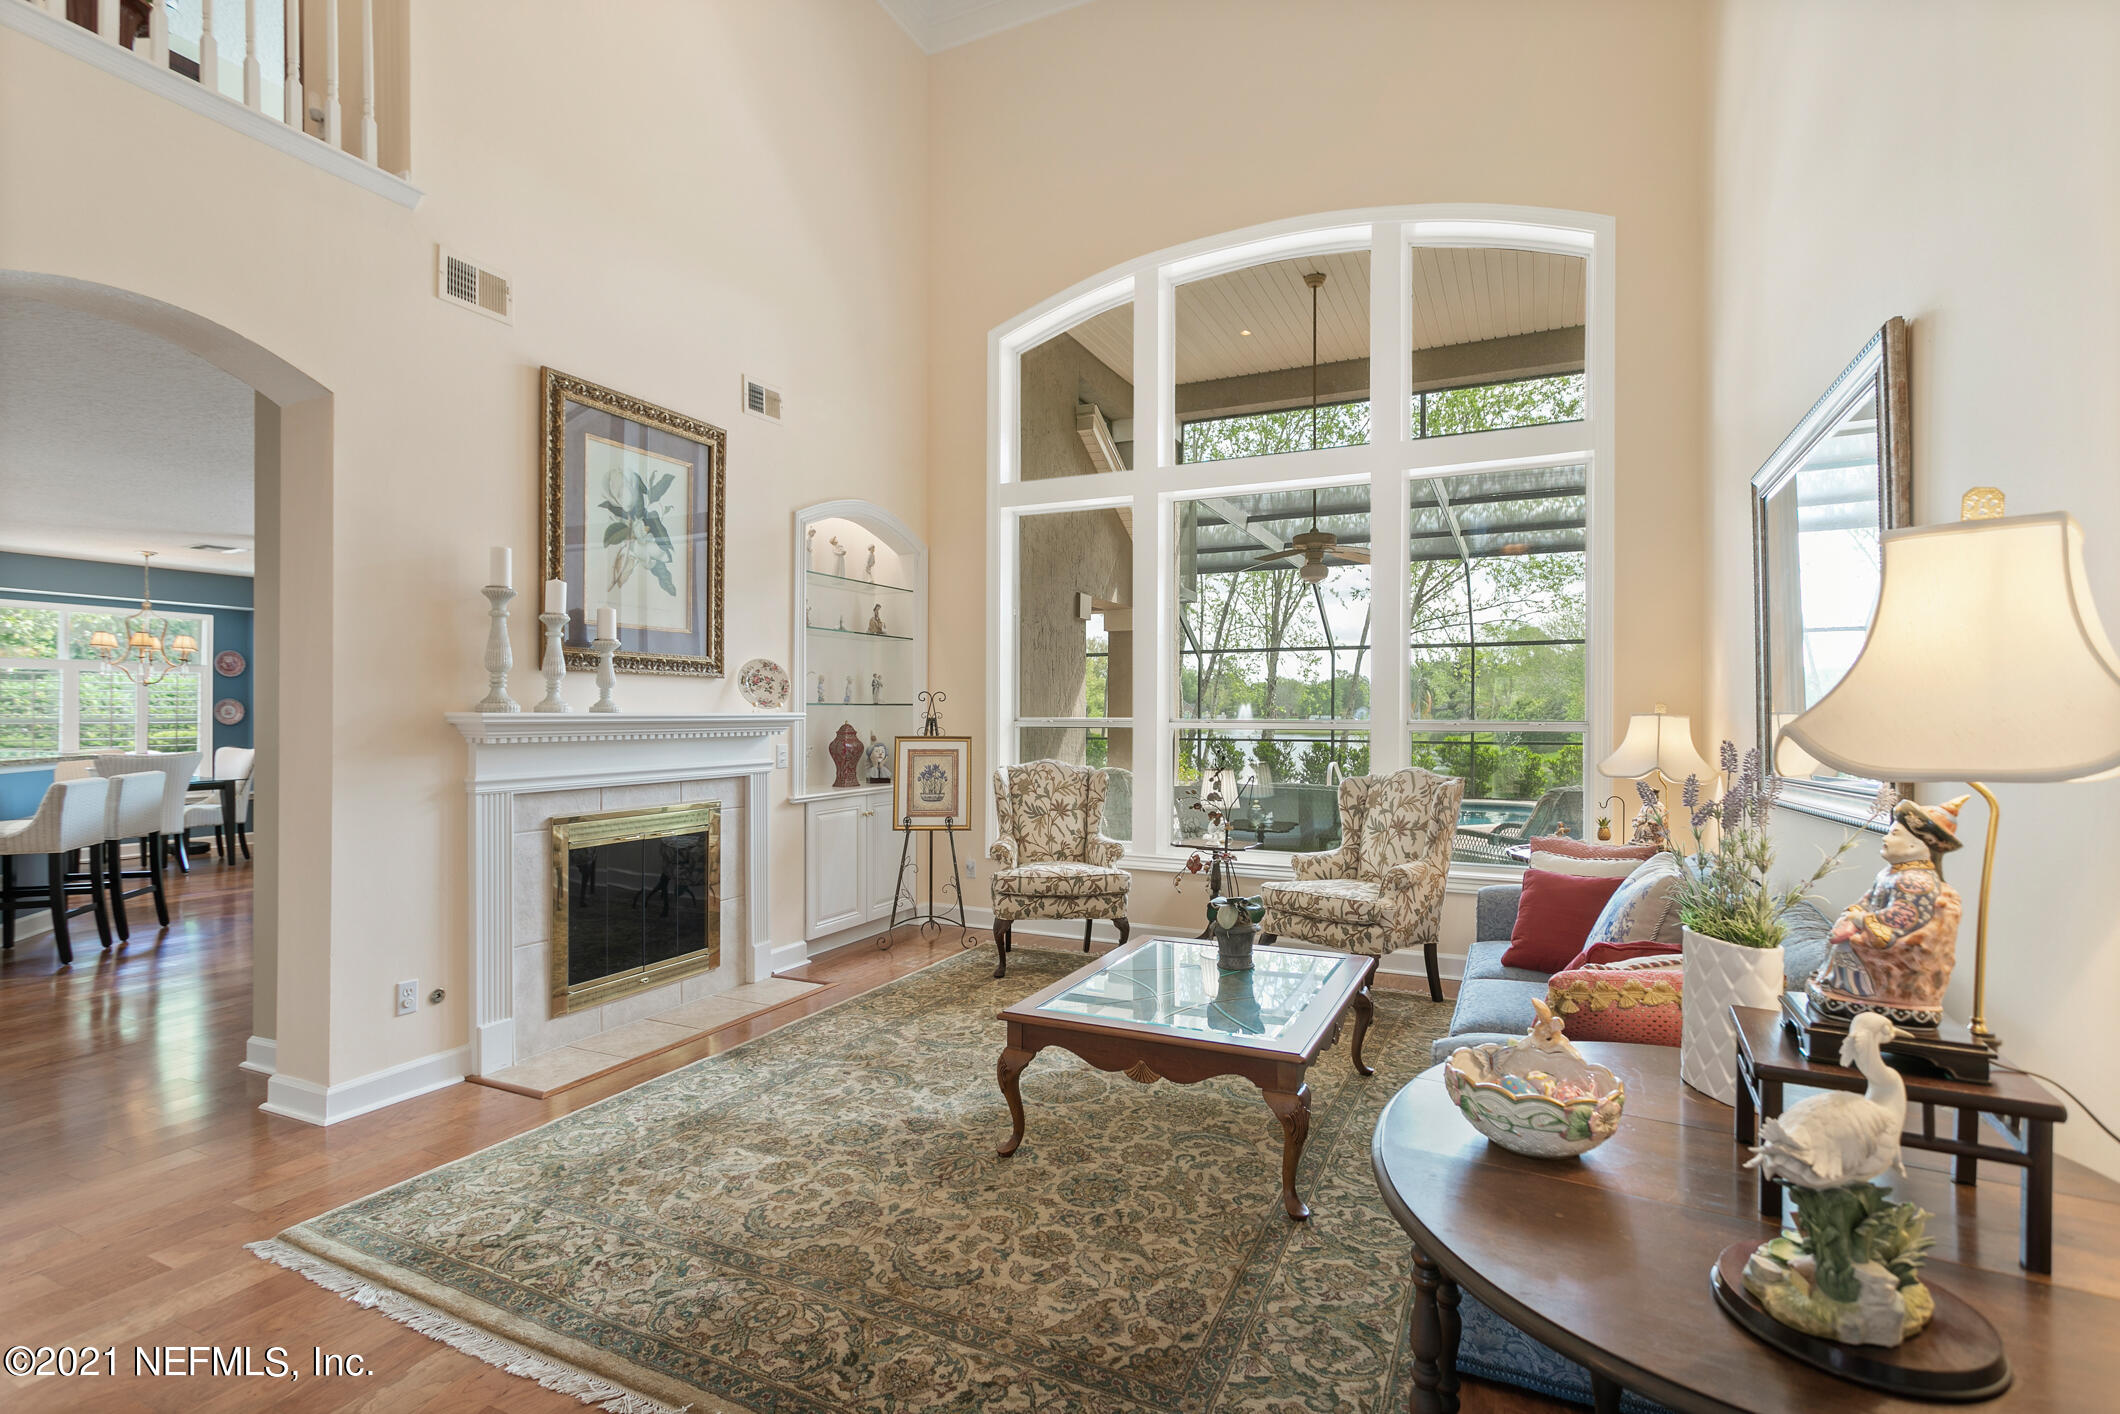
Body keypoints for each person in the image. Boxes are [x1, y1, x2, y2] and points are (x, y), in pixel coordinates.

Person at [1807, 796, 1967, 1030]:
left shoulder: (1916, 881)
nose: (1885, 837)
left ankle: (1860, 992)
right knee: (1842, 938)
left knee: (1851, 944)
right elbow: (1868, 901)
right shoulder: (1891, 874)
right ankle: (1841, 986)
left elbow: (1905, 916)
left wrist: (1862, 920)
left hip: (1892, 939)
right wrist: (1853, 914)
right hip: (1876, 929)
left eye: (1894, 834)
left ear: (1915, 846)